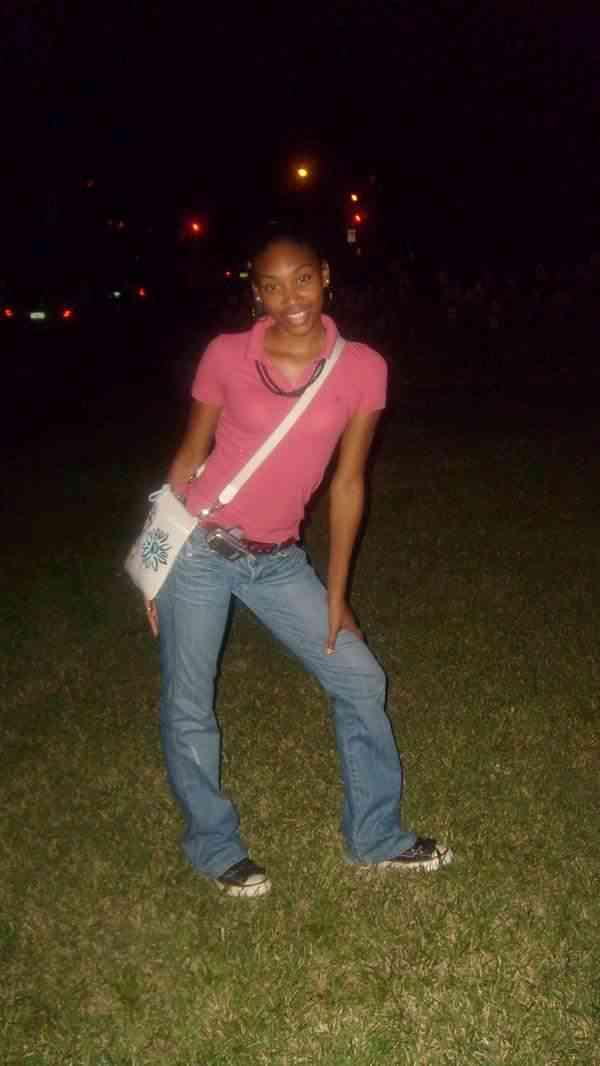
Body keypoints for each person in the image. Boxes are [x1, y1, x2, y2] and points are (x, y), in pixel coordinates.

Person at [145, 226, 453, 898]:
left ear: (325, 277)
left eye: (303, 280)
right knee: (189, 703)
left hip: (278, 559)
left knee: (360, 679)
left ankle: (376, 836)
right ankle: (214, 846)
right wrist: (154, 562)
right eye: (273, 286)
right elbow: (188, 457)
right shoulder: (226, 355)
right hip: (197, 549)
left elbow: (348, 484)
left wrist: (338, 595)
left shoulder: (363, 368)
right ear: (256, 293)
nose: (291, 298)